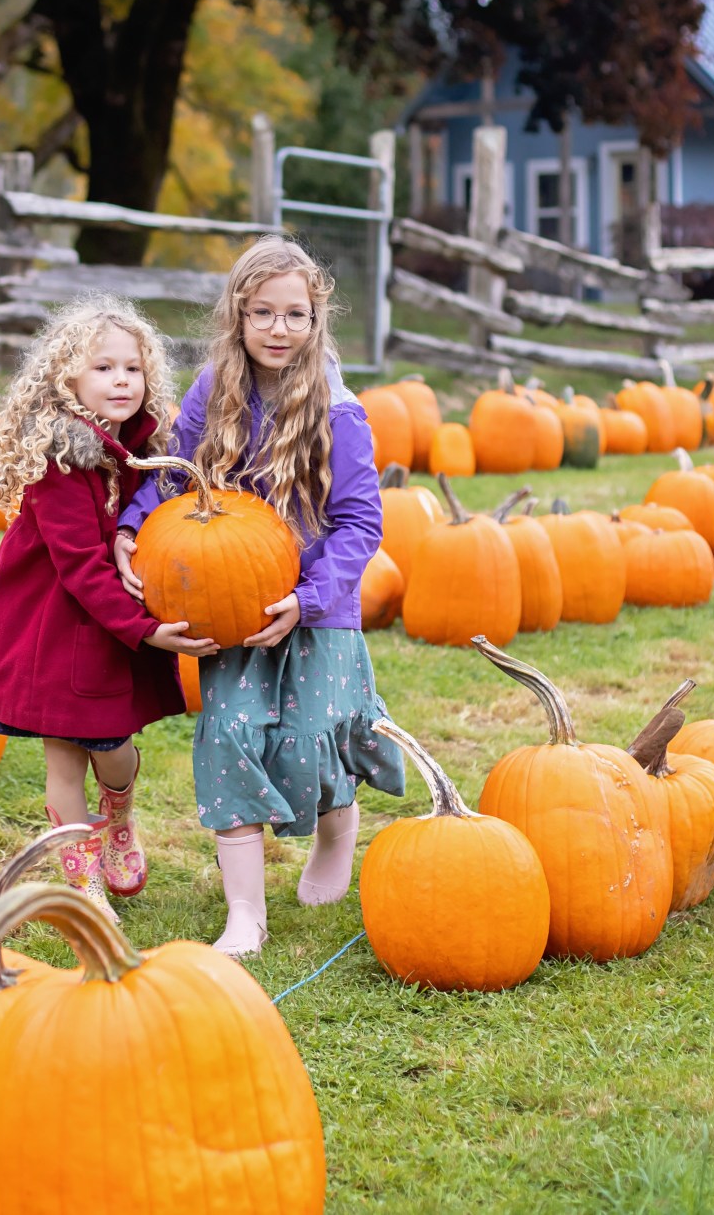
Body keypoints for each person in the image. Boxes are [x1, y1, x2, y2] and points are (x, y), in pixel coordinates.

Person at [115, 237, 405, 958]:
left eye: (295, 315)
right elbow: (173, 478)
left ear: (316, 321)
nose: (279, 329)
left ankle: (335, 831)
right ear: (238, 316)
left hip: (316, 612)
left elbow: (361, 522)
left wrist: (307, 600)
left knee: (313, 742)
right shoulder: (213, 390)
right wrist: (130, 527)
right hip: (234, 607)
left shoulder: (339, 412)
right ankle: (245, 912)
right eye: (263, 313)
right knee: (230, 737)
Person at [0, 297, 215, 917]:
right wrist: (148, 631)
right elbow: (80, 566)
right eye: (103, 368)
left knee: (112, 745)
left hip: (111, 627)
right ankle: (82, 882)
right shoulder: (60, 455)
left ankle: (120, 813)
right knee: (63, 755)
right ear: (68, 380)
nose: (121, 381)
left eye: (132, 369)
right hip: (55, 625)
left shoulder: (145, 446)